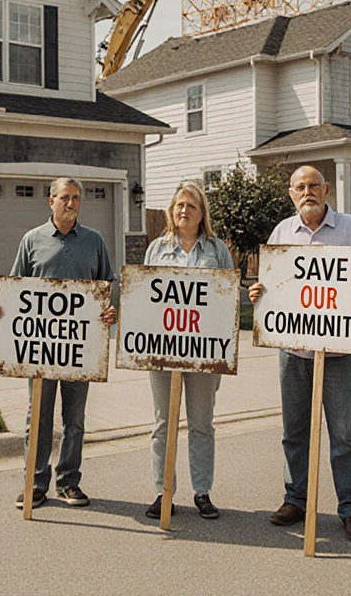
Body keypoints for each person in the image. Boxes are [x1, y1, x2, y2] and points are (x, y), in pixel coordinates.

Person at [247, 165, 351, 543]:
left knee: (344, 434)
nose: (307, 192)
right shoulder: (282, 232)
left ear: (327, 190)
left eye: (314, 185)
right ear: (291, 193)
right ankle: (296, 500)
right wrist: (258, 294)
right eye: (300, 187)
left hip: (341, 351)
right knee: (294, 432)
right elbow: (271, 281)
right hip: (294, 352)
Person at [0, 177, 117, 510]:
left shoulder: (94, 241)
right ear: (51, 201)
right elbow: (16, 290)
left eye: (75, 198)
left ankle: (69, 482)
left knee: (74, 419)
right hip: (40, 349)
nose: (71, 203)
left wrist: (109, 311)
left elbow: (106, 287)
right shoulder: (32, 241)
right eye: (64, 198)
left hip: (80, 348)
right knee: (39, 417)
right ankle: (35, 483)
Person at [141, 182, 235, 521]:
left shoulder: (216, 250)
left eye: (191, 205)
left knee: (201, 423)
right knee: (163, 423)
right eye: (179, 204)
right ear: (171, 211)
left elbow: (229, 298)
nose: (184, 210)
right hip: (163, 351)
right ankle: (162, 490)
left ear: (201, 212)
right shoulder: (156, 249)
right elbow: (143, 298)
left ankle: (203, 492)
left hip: (204, 353)